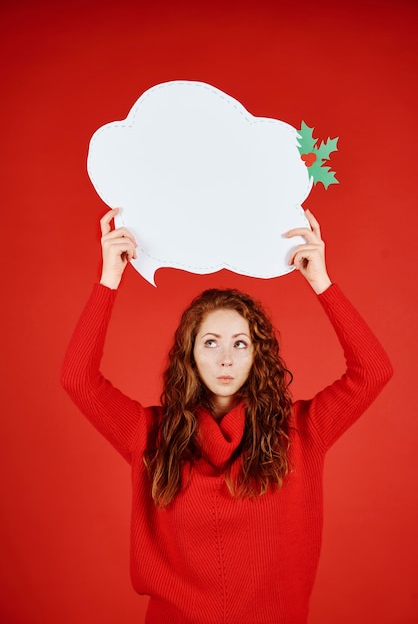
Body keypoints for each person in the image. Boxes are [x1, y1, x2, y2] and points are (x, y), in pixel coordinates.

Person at [61, 208, 393, 624]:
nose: (224, 359)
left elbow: (374, 371)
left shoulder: (302, 431)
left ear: (258, 355)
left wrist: (321, 281)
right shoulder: (150, 434)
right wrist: (110, 277)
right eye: (211, 342)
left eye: (240, 344)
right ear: (191, 355)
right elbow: (78, 380)